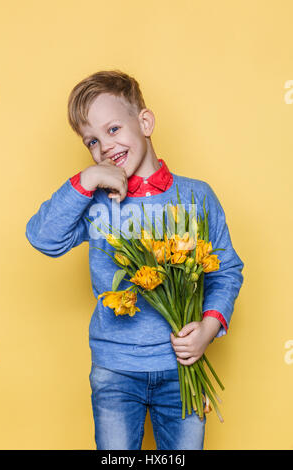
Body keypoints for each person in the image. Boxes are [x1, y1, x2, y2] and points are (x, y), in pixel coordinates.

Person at [25, 69, 244, 450]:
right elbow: (43, 238)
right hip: (114, 370)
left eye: (112, 130)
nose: (104, 147)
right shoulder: (94, 202)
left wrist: (208, 329)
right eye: (91, 141)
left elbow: (226, 271)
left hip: (181, 369)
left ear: (144, 122)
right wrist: (87, 180)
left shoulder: (196, 196)